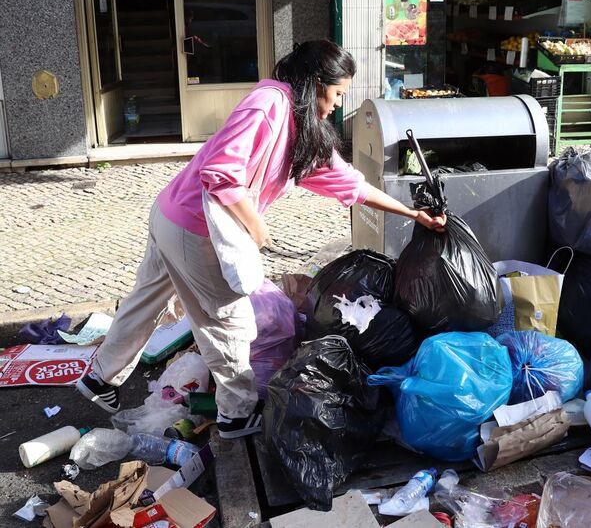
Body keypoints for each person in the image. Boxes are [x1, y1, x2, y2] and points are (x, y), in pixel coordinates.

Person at [77, 40, 446, 438]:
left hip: (172, 212)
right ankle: (237, 415)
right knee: (227, 321)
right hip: (194, 229)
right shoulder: (271, 102)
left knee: (145, 300)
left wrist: (412, 213)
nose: (339, 103)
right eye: (339, 93)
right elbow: (220, 171)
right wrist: (254, 225)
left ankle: (99, 378)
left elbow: (349, 183)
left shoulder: (302, 127)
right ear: (316, 83)